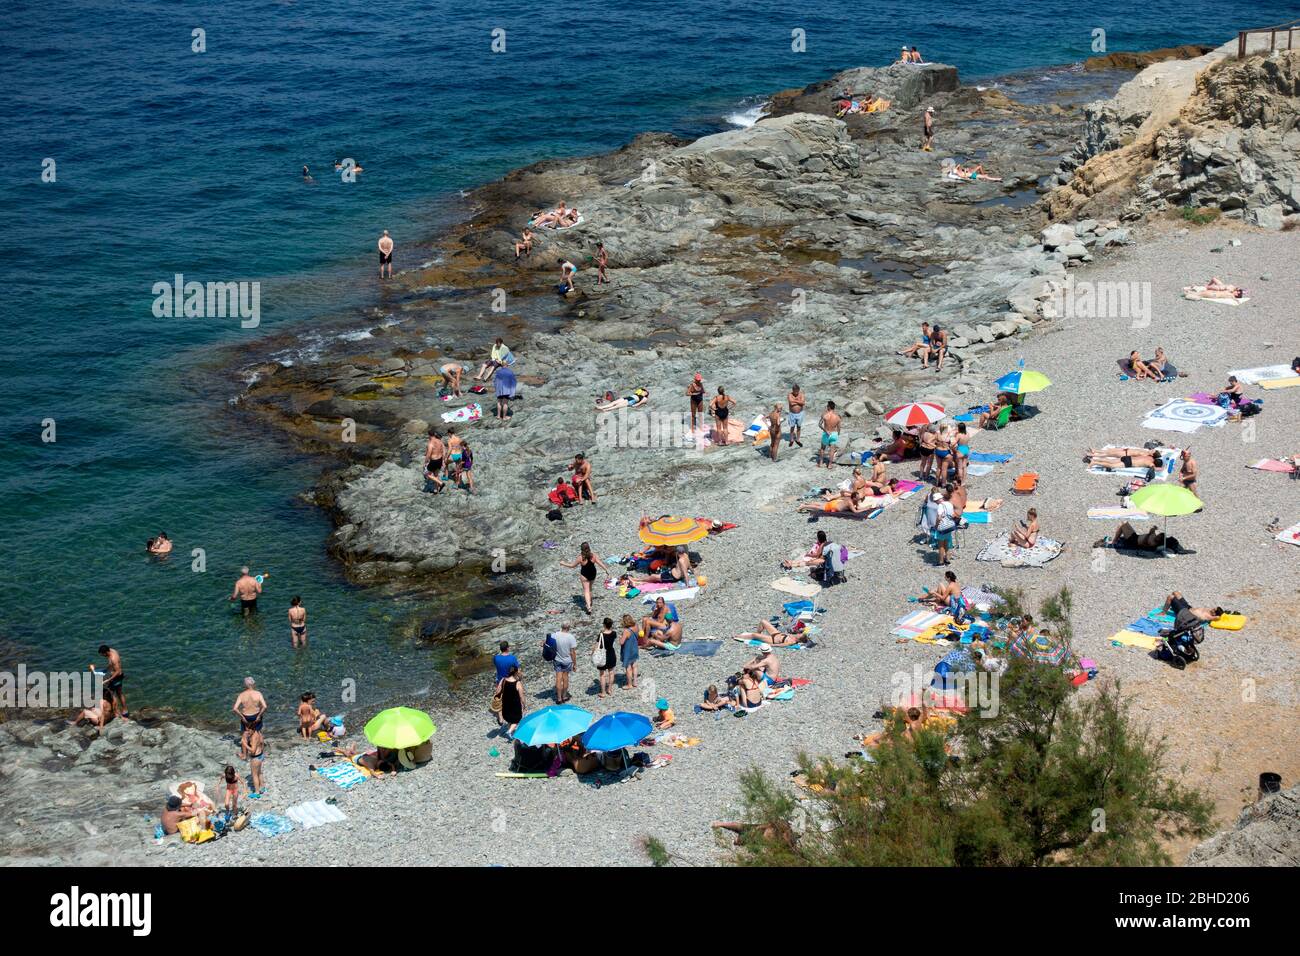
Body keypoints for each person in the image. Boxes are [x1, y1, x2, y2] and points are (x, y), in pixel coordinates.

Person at [560, 542, 609, 615]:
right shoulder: (593, 555)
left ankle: (589, 607)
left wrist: (563, 563)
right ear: (589, 548)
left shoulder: (580, 558)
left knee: (586, 590)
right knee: (590, 588)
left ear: (581, 549)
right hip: (593, 574)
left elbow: (572, 566)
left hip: (584, 575)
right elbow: (600, 563)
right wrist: (606, 569)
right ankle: (590, 602)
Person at [233, 677, 267, 759]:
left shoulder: (241, 695)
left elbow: (235, 708)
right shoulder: (258, 693)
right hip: (256, 715)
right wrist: (259, 716)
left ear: (245, 685)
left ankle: (244, 755)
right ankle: (261, 752)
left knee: (245, 735)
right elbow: (265, 706)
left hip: (246, 717)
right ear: (253, 684)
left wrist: (242, 717)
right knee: (258, 733)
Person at [547, 625, 579, 703]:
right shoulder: (571, 637)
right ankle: (564, 696)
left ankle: (559, 698)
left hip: (557, 659)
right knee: (565, 677)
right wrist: (575, 664)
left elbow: (547, 642)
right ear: (568, 628)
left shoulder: (555, 635)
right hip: (567, 661)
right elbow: (572, 652)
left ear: (561, 627)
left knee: (558, 678)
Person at [98, 644, 128, 719]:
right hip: (118, 676)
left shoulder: (113, 658)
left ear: (106, 652)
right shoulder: (112, 650)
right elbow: (111, 664)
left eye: (103, 654)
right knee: (119, 693)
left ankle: (116, 713)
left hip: (116, 677)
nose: (103, 656)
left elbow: (118, 671)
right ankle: (125, 711)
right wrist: (106, 669)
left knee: (112, 695)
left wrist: (108, 680)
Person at [496, 664, 525, 738]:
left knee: (509, 719)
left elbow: (498, 691)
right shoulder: (517, 683)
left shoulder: (503, 680)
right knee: (517, 720)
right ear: (516, 672)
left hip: (505, 704)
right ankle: (509, 731)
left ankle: (510, 733)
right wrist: (524, 704)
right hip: (515, 705)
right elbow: (521, 696)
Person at [1085, 447, 1166, 471]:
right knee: (1111, 465)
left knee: (1110, 460)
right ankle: (1094, 462)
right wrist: (1162, 469)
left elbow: (1157, 454)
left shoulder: (1149, 456)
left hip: (1127, 457)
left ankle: (1094, 459)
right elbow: (1154, 468)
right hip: (1128, 462)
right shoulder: (1150, 463)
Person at [594, 617, 618, 698]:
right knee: (611, 672)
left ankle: (603, 692)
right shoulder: (614, 633)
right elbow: (611, 635)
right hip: (611, 654)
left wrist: (592, 653)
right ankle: (610, 689)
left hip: (603, 655)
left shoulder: (601, 635)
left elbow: (597, 646)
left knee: (602, 674)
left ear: (604, 625)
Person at [618, 613, 640, 690]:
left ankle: (629, 684)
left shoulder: (626, 631)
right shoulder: (636, 626)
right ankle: (635, 682)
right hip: (635, 648)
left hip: (628, 650)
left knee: (628, 667)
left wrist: (620, 638)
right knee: (634, 665)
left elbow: (621, 642)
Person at [818, 401, 841, 468]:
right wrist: (838, 434)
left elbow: (819, 424)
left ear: (829, 407)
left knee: (822, 448)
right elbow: (839, 428)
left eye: (827, 406)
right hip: (834, 433)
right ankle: (830, 465)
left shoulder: (824, 415)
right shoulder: (837, 417)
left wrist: (825, 430)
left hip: (826, 433)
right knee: (832, 449)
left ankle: (821, 463)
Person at [245, 724, 266, 795]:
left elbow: (253, 750)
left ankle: (257, 793)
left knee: (254, 775)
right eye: (246, 730)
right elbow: (262, 742)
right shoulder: (258, 733)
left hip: (255, 758)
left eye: (248, 730)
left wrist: (245, 744)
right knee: (259, 772)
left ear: (253, 729)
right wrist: (261, 751)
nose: (247, 732)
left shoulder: (254, 737)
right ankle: (262, 788)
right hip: (261, 755)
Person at [423, 427, 446, 492]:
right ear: (434, 434)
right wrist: (443, 460)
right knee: (436, 475)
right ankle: (437, 489)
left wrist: (425, 462)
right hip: (440, 460)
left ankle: (441, 483)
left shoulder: (430, 444)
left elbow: (428, 454)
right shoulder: (439, 441)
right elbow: (443, 450)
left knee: (427, 474)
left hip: (434, 461)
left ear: (429, 435)